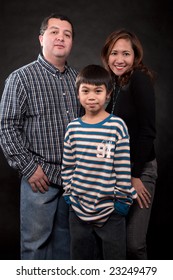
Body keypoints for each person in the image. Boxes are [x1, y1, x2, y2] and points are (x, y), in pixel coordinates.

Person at [0, 13, 82, 260]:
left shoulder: (78, 80)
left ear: (71, 43)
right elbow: (6, 127)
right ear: (41, 38)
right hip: (40, 178)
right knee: (35, 248)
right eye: (54, 32)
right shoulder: (21, 78)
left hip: (72, 179)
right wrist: (29, 168)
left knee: (65, 249)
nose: (61, 38)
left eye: (67, 34)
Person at [61, 64, 137, 260]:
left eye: (98, 91)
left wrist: (122, 200)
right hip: (78, 208)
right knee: (80, 259)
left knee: (114, 260)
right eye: (85, 91)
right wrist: (69, 193)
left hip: (111, 208)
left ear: (108, 94)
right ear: (78, 94)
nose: (91, 97)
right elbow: (68, 165)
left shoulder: (116, 126)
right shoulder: (73, 128)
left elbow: (122, 166)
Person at [101, 29, 158, 259]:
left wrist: (134, 176)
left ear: (135, 56)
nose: (119, 59)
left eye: (126, 53)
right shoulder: (110, 84)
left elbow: (148, 131)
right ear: (107, 55)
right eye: (114, 53)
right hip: (113, 172)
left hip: (139, 170)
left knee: (134, 243)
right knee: (114, 241)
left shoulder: (139, 80)